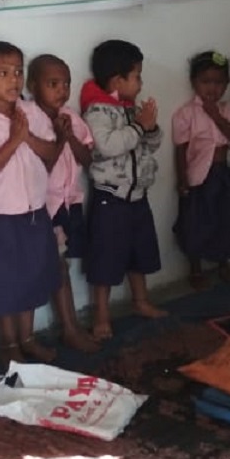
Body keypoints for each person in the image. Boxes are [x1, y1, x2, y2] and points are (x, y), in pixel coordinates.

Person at [0, 41, 62, 368]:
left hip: (35, 212)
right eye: (3, 73)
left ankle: (28, 339)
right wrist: (13, 140)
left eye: (18, 72)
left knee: (33, 277)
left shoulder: (32, 112)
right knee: (5, 282)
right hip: (0, 216)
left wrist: (26, 136)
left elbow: (51, 152)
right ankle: (8, 344)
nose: (13, 80)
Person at [80, 39, 167, 340]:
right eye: (137, 76)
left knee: (138, 252)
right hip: (111, 198)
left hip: (137, 196)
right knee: (105, 257)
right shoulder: (98, 112)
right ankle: (101, 314)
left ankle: (140, 301)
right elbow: (108, 146)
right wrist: (140, 128)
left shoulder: (132, 110)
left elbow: (152, 146)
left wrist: (151, 128)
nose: (141, 83)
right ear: (117, 80)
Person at [27, 53, 101, 353]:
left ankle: (70, 325)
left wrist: (69, 136)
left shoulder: (72, 117)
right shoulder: (29, 117)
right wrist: (58, 138)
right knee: (56, 267)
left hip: (69, 202)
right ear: (34, 86)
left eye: (66, 83)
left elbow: (88, 159)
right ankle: (68, 328)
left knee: (63, 264)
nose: (61, 90)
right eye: (53, 83)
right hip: (44, 204)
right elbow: (40, 164)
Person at [173, 50, 230, 289]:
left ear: (226, 84)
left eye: (218, 83)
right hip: (198, 179)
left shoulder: (226, 110)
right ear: (194, 82)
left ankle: (223, 265)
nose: (212, 88)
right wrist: (183, 180)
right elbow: (181, 150)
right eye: (206, 82)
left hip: (221, 175)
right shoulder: (185, 114)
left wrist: (217, 117)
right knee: (196, 223)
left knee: (224, 221)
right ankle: (195, 269)